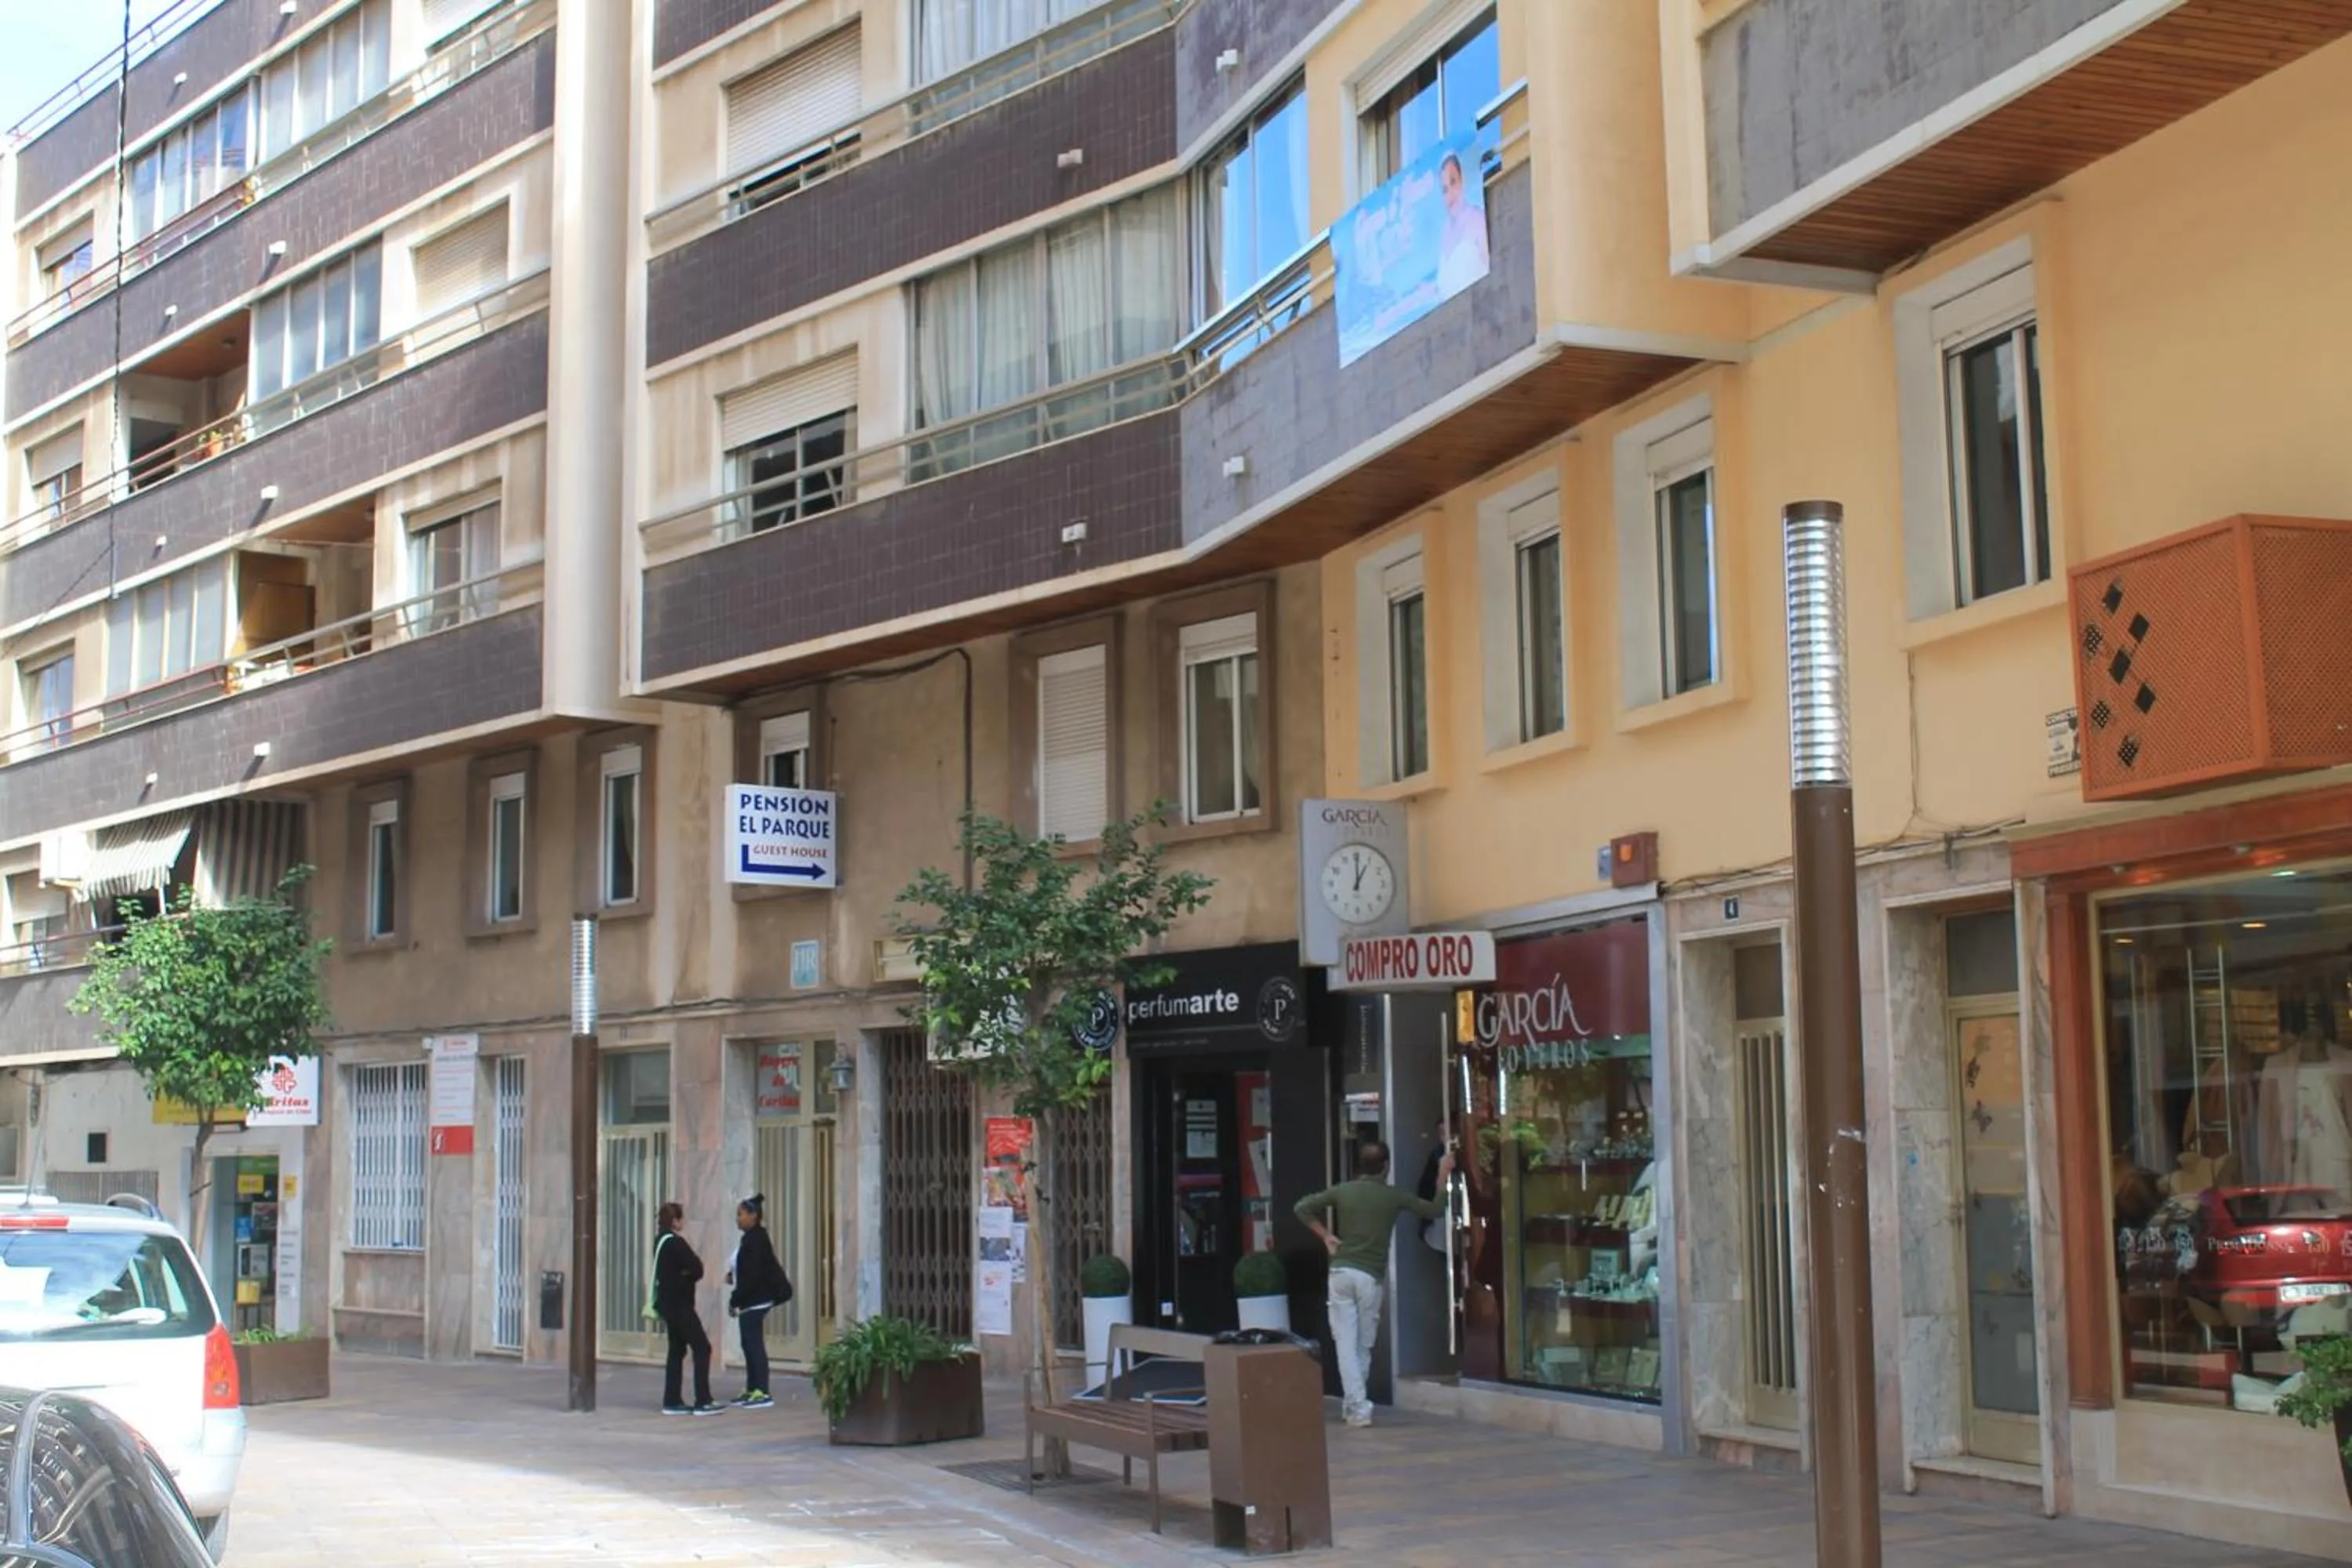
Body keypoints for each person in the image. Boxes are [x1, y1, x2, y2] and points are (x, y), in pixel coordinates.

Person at [1294, 1139, 1453, 1428]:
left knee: (1345, 1343)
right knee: (1363, 1345)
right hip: (1370, 1277)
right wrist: (1443, 1173)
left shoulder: (1343, 1190)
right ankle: (1357, 1406)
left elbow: (1302, 1207)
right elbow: (1434, 1210)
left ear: (1360, 1165)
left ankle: (1354, 1404)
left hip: (1340, 1272)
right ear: (1386, 1166)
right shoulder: (1392, 1196)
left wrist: (1326, 1236)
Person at [651, 1201, 721, 1416]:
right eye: (681, 1219)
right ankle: (703, 1400)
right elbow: (697, 1268)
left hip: (667, 1305)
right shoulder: (675, 1243)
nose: (683, 1223)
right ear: (675, 1221)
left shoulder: (659, 1242)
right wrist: (686, 1274)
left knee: (677, 1350)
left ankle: (671, 1400)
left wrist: (682, 1273)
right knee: (702, 1347)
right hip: (680, 1305)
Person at [724, 1194, 793, 1410]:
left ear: (753, 1216)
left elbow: (752, 1275)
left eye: (740, 1214)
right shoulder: (751, 1238)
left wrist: (735, 1299)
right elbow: (745, 1269)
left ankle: (762, 1391)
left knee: (753, 1344)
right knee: (748, 1344)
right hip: (750, 1300)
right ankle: (752, 1388)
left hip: (756, 1300)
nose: (737, 1218)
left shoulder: (756, 1239)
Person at [1436, 151, 1490, 296]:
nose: (1450, 194)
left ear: (1462, 180)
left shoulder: (1477, 219)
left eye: (1453, 182)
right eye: (1444, 190)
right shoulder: (1445, 232)